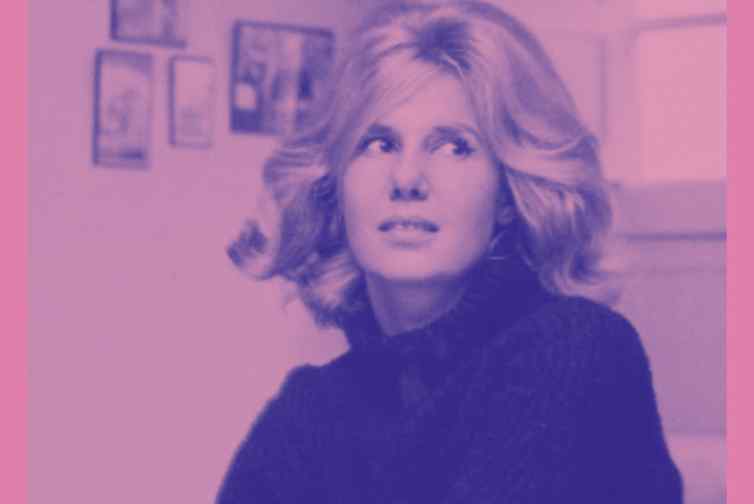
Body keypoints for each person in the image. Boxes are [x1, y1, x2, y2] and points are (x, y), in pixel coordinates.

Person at [219, 1, 683, 502]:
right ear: (335, 185)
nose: (406, 178)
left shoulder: (576, 347)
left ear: (507, 194)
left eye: (453, 146)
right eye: (378, 143)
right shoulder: (308, 415)